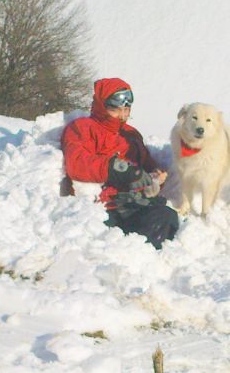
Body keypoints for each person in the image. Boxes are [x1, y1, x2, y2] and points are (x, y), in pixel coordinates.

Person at [61, 77, 179, 249]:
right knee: (103, 240)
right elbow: (77, 163)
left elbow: (147, 165)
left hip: (132, 205)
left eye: (126, 110)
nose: (122, 116)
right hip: (103, 208)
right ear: (103, 106)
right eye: (116, 110)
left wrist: (154, 178)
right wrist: (116, 168)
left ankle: (142, 260)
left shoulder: (131, 135)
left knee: (166, 217)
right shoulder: (83, 128)